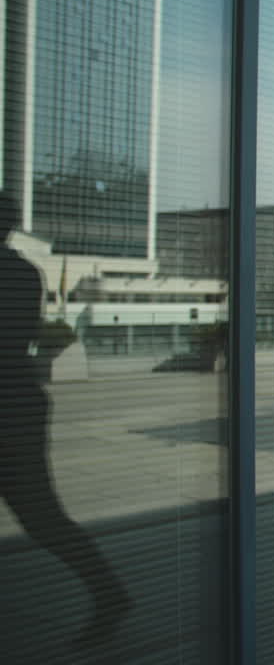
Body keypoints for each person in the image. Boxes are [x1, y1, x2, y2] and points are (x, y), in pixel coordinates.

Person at [0, 190, 132, 647]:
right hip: (19, 400)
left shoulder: (13, 273)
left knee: (41, 516)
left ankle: (109, 591)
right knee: (42, 516)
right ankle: (107, 590)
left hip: (8, 405)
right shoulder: (23, 272)